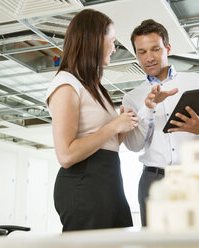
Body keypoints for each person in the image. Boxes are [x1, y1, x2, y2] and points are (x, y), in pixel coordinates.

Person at [122, 19, 199, 226]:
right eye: (142, 52)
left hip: (196, 177)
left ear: (168, 48)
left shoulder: (198, 82)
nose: (149, 58)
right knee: (156, 242)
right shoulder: (132, 97)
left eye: (155, 49)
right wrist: (148, 108)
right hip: (153, 181)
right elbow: (133, 146)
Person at [45, 9, 138, 232]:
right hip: (84, 183)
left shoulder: (94, 87)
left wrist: (125, 124)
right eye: (112, 41)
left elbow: (108, 142)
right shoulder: (66, 85)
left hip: (109, 180)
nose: (115, 48)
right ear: (94, 41)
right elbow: (66, 155)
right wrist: (114, 125)